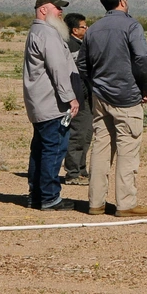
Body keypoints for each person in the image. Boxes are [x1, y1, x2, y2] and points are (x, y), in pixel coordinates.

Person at [78, 0, 147, 217]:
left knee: (100, 148)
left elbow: (81, 64)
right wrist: (145, 87)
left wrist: (96, 85)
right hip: (127, 97)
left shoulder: (93, 29)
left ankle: (96, 203)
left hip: (100, 97)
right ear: (122, 1)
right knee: (127, 148)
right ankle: (126, 204)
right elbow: (141, 58)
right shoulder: (131, 25)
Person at [23, 0, 80, 210]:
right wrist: (70, 98)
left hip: (40, 103)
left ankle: (36, 195)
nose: (61, 12)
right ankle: (49, 197)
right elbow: (58, 69)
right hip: (52, 104)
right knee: (54, 149)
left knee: (40, 149)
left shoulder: (37, 31)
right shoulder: (47, 33)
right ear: (43, 9)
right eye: (56, 7)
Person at [62, 13, 92, 186]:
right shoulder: (68, 45)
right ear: (74, 30)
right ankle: (72, 173)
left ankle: (81, 170)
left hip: (88, 94)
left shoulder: (84, 45)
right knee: (76, 135)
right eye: (83, 26)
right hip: (76, 96)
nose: (86, 29)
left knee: (86, 134)